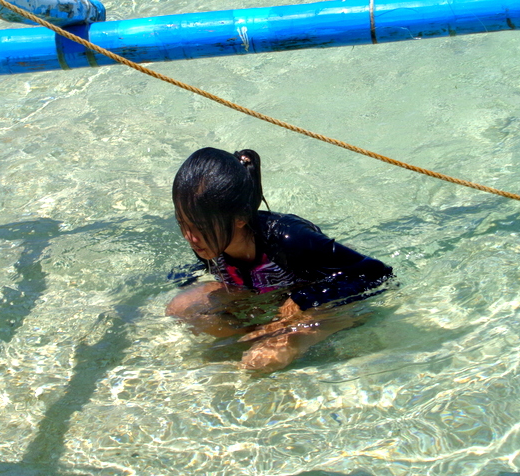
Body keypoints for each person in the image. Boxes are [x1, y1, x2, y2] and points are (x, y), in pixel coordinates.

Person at [166, 147, 394, 373]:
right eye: (182, 223)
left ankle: (329, 327)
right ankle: (261, 332)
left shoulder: (291, 239)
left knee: (259, 362)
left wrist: (303, 298)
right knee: (180, 308)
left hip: (317, 302)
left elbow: (375, 273)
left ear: (240, 218)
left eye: (200, 226)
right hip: (261, 290)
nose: (190, 237)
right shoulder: (209, 242)